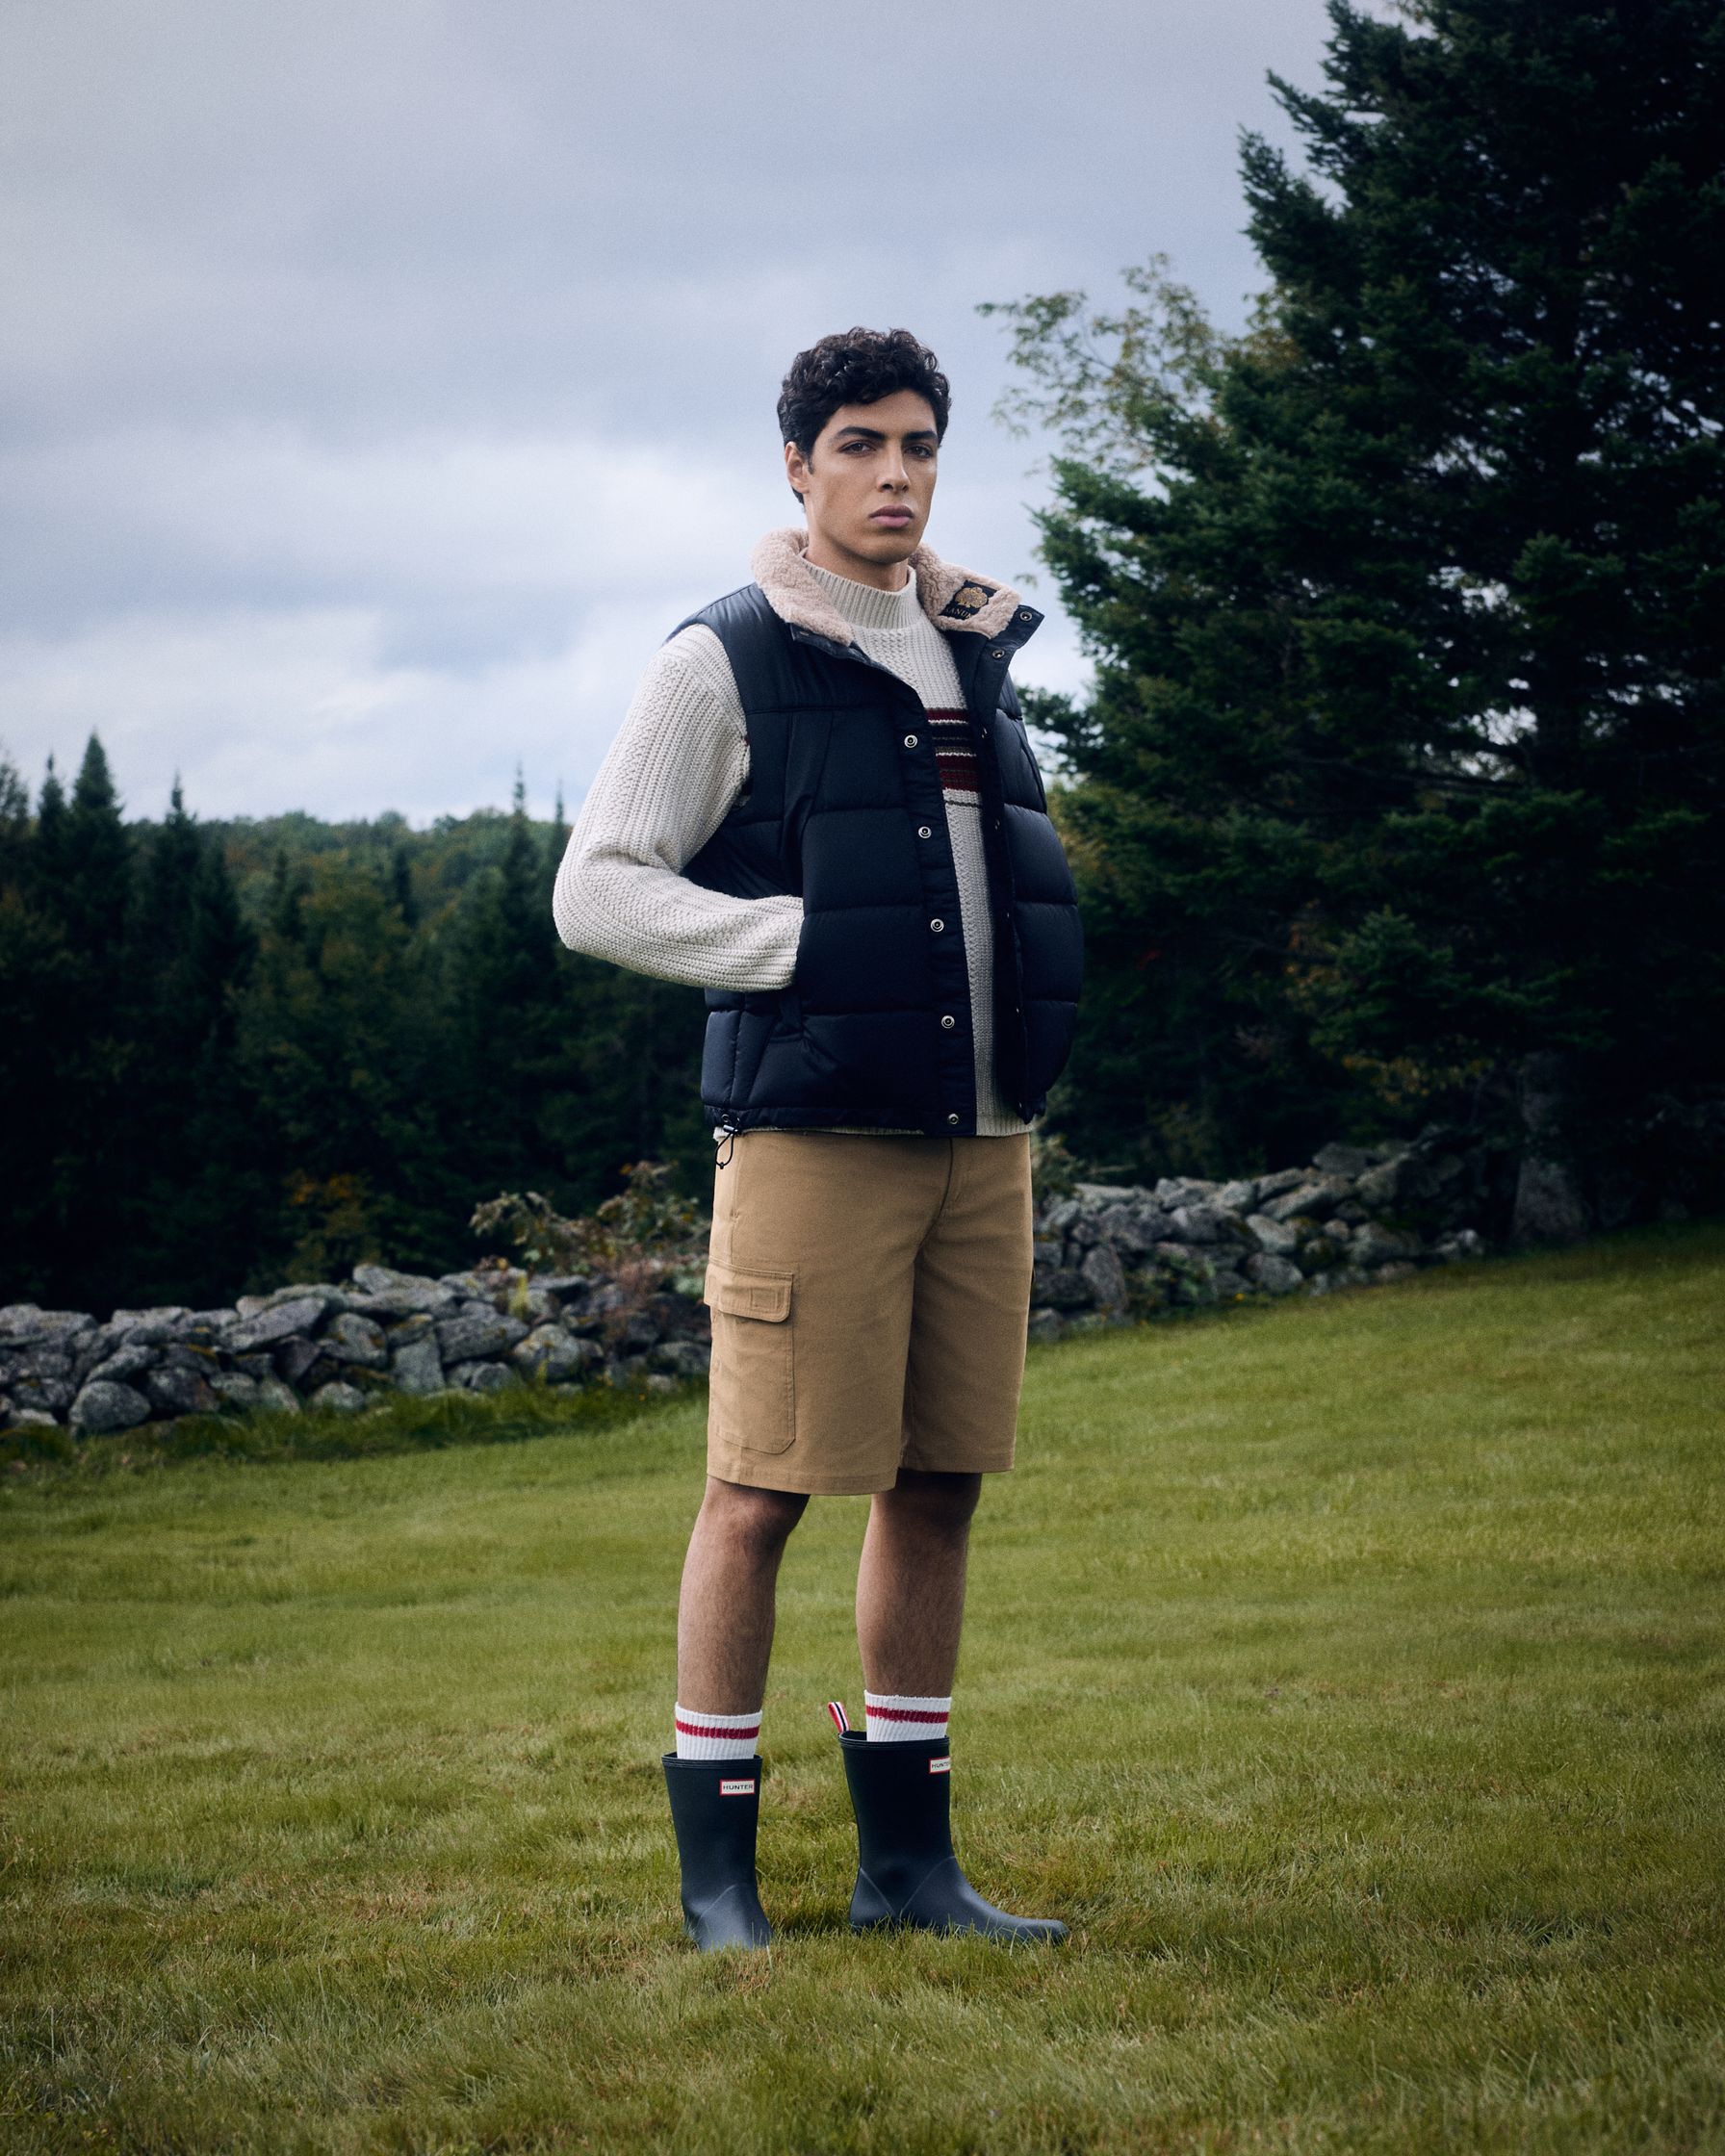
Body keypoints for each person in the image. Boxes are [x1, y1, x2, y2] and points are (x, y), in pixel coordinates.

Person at [554, 325, 1083, 1950]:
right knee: (760, 1494)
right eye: (860, 444)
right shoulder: (723, 658)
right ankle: (721, 1880)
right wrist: (794, 947)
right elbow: (599, 890)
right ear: (798, 465)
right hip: (811, 1143)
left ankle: (906, 1870)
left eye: (919, 444)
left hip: (982, 1141)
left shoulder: (974, 651)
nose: (897, 474)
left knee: (939, 1488)